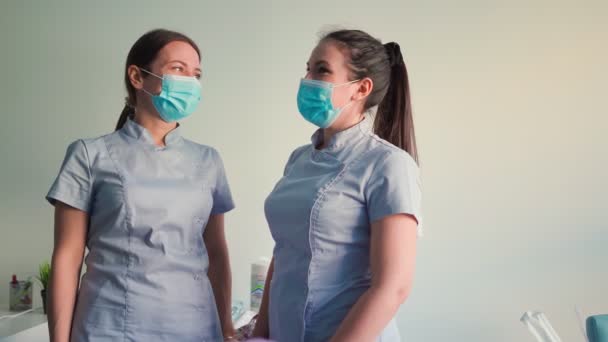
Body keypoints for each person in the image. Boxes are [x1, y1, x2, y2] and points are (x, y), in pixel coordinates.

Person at [46, 29, 237, 342]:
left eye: (196, 73)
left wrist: (226, 325)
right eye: (178, 69)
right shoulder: (89, 155)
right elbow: (67, 256)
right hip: (110, 327)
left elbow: (216, 253)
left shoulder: (208, 160)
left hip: (195, 327)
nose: (189, 81)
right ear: (137, 76)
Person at [253, 29, 423, 341]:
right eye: (308, 68)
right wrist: (261, 334)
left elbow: (393, 287)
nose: (308, 79)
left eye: (322, 70)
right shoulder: (298, 159)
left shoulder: (388, 164)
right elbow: (285, 253)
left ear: (361, 88)